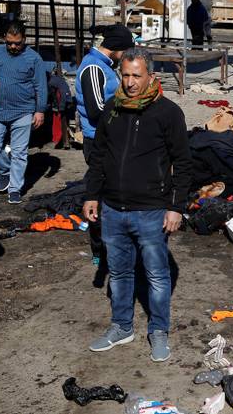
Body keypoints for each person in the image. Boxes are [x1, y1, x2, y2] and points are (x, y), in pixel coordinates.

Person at [84, 48, 191, 362]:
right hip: (113, 209)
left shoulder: (168, 113)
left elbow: (183, 163)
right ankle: (121, 327)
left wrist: (176, 207)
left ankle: (159, 331)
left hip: (151, 210)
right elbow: (99, 157)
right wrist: (92, 195)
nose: (130, 82)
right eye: (125, 75)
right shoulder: (113, 109)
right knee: (118, 273)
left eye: (136, 76)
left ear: (151, 77)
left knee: (157, 276)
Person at [76, 24, 135, 264]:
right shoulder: (93, 68)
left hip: (110, 139)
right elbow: (96, 109)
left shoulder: (104, 66)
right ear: (117, 48)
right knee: (101, 197)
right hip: (98, 142)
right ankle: (99, 249)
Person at [0, 20, 46, 204]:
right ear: (4, 39)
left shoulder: (34, 58)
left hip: (23, 111)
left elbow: (41, 86)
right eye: (9, 43)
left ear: (24, 39)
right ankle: (6, 170)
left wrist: (40, 110)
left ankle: (15, 188)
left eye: (17, 43)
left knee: (19, 152)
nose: (13, 46)